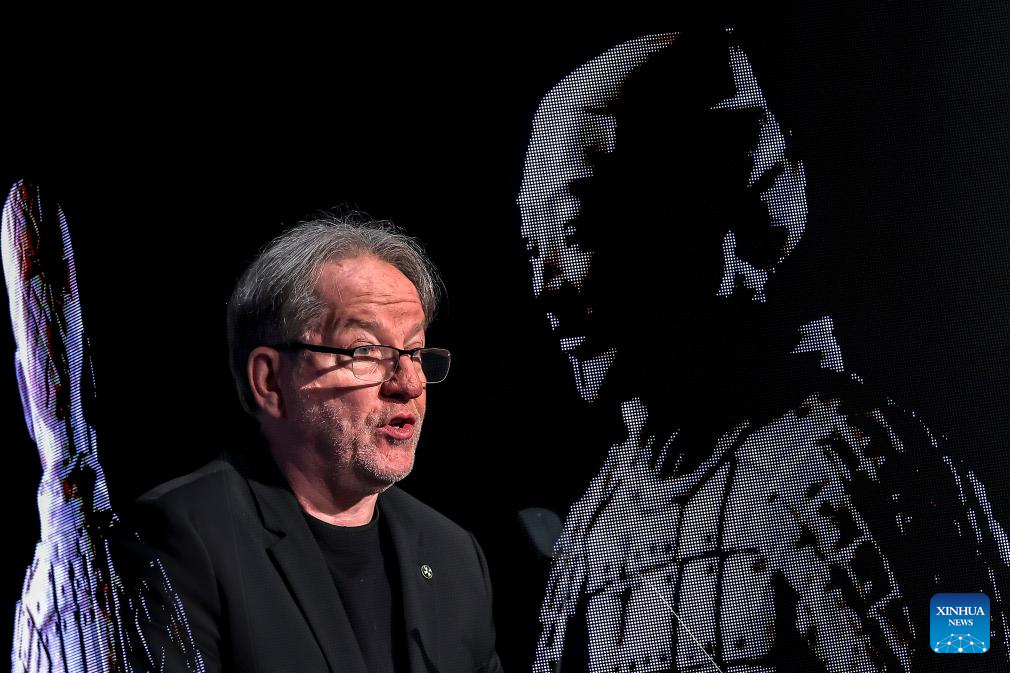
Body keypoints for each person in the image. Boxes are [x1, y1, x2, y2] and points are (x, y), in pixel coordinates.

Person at [518, 29, 1010, 672]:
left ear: (706, 219)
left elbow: (967, 655)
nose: (548, 285)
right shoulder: (603, 516)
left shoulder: (851, 468)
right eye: (536, 245)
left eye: (582, 229)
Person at [119, 214, 503, 673]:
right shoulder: (182, 536)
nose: (410, 384)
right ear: (270, 381)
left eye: (414, 352)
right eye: (366, 351)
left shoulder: (454, 555)